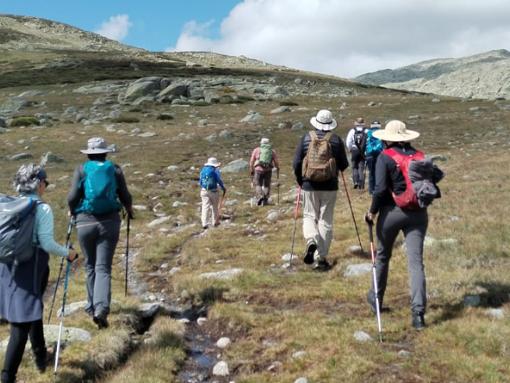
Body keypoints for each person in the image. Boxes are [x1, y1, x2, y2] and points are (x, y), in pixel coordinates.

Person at [1, 164, 78, 383]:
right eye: (45, 183)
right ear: (39, 184)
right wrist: (68, 254)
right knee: (20, 325)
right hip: (32, 267)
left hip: (7, 267)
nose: (46, 186)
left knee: (32, 308)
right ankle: (7, 376)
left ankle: (40, 356)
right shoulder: (41, 208)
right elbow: (46, 243)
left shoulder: (6, 203)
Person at [365, 120, 432, 330]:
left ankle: (377, 300)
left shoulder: (385, 157)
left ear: (386, 138)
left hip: (391, 213)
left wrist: (372, 212)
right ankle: (418, 314)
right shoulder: (420, 156)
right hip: (418, 214)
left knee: (383, 256)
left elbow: (379, 189)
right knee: (416, 262)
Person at [68, 137, 133, 329]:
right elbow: (125, 195)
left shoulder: (81, 169)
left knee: (90, 266)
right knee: (103, 267)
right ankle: (101, 309)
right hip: (110, 222)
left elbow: (72, 197)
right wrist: (129, 209)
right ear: (106, 153)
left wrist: (72, 210)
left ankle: (91, 306)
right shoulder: (115, 169)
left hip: (84, 223)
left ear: (88, 153)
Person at [293, 110, 349, 271]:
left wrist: (300, 180)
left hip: (309, 185)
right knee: (325, 220)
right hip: (330, 186)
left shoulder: (306, 138)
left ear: (316, 122)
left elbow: (296, 162)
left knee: (309, 216)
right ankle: (321, 258)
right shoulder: (336, 140)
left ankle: (311, 240)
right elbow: (344, 165)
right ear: (330, 123)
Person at [249, 137, 280, 206]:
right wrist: (277, 167)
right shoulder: (272, 151)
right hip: (268, 170)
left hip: (258, 170)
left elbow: (251, 161)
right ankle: (265, 200)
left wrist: (251, 169)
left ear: (261, 143)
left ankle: (260, 196)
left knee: (258, 184)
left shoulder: (256, 150)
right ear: (268, 143)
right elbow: (276, 161)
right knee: (267, 185)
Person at [199, 157, 226, 230]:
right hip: (213, 191)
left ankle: (204, 223)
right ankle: (215, 222)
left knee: (205, 207)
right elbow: (219, 181)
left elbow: (200, 182)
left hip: (204, 191)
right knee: (215, 207)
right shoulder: (214, 171)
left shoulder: (203, 170)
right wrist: (223, 188)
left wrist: (204, 187)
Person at [345, 117, 367, 189]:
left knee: (354, 166)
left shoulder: (352, 131)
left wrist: (350, 148)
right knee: (361, 167)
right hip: (363, 151)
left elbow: (348, 142)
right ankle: (361, 184)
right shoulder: (366, 131)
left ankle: (355, 182)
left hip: (354, 150)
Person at [364, 121, 384, 195]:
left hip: (369, 154)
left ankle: (371, 190)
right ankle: (379, 189)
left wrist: (364, 154)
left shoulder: (367, 133)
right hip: (380, 154)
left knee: (371, 172)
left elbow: (364, 144)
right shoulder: (382, 133)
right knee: (380, 172)